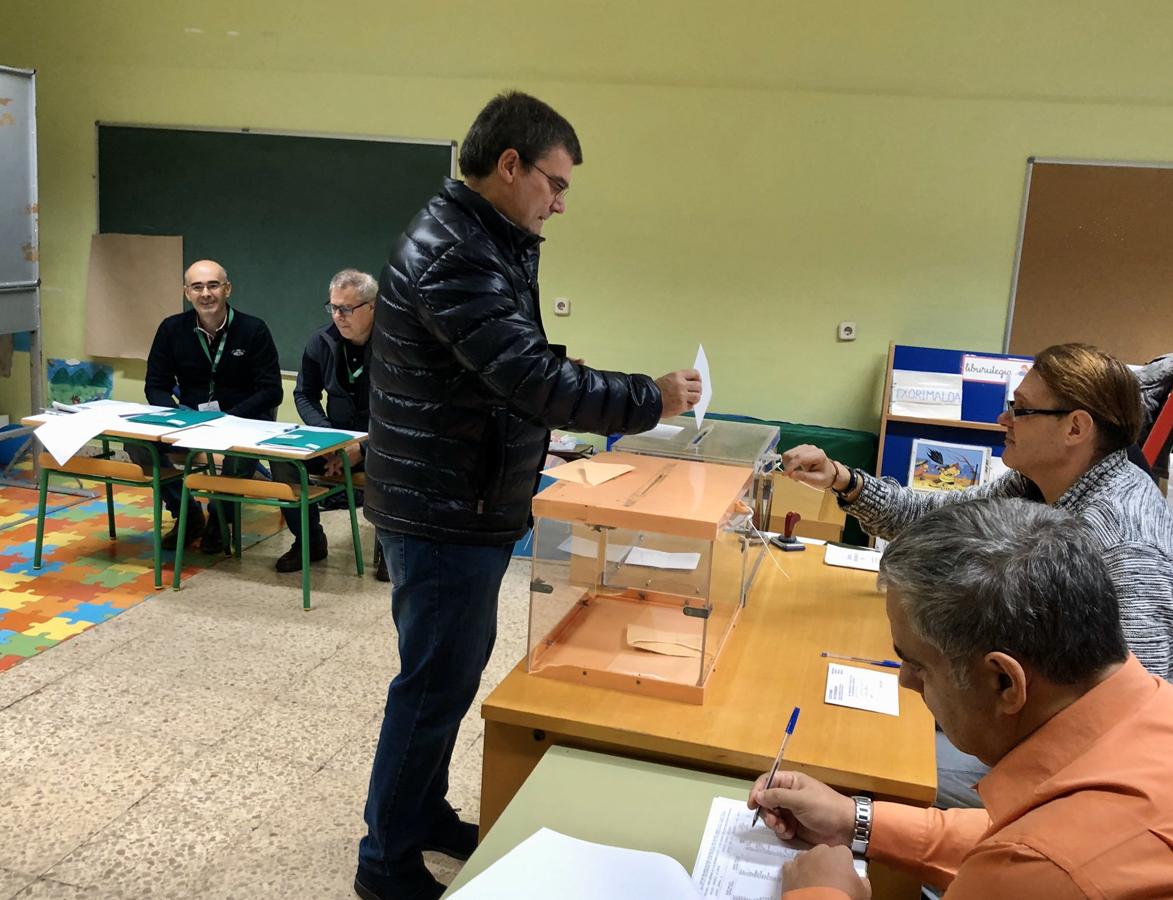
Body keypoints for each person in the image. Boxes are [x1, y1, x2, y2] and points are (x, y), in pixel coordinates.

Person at [354, 91, 703, 900]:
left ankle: (420, 811)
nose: (560, 201)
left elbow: (516, 363)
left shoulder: (489, 238)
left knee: (446, 678)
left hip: (463, 497)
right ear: (508, 166)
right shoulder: (456, 253)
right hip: (443, 508)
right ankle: (385, 864)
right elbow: (530, 377)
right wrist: (648, 398)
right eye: (554, 182)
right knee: (431, 685)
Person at [783, 343, 1173, 807]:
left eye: (1021, 410)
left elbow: (1132, 715)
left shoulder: (1125, 541)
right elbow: (932, 519)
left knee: (868, 766)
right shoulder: (1034, 484)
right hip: (1012, 715)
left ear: (1075, 427)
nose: (1003, 420)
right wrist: (844, 480)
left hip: (1067, 776)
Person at [748, 499, 1173, 899]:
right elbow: (1013, 835)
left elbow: (1032, 859)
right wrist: (858, 820)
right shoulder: (1153, 710)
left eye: (918, 665)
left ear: (1005, 683)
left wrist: (822, 891)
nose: (907, 683)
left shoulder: (1041, 869)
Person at [133, 259, 282, 553]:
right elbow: (156, 385)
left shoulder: (254, 330)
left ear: (227, 289)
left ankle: (219, 517)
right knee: (139, 444)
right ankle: (186, 514)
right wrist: (176, 414)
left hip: (243, 419)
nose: (206, 294)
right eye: (197, 287)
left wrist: (229, 418)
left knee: (239, 458)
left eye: (213, 285)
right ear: (187, 292)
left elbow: (271, 391)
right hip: (190, 421)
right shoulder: (171, 329)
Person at [270, 269, 386, 580]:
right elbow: (304, 395)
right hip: (332, 440)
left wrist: (360, 448)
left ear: (372, 306)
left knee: (398, 462)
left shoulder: (396, 347)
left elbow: (403, 411)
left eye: (347, 309)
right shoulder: (321, 342)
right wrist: (329, 442)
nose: (338, 315)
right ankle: (309, 541)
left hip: (381, 442)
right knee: (283, 462)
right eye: (333, 307)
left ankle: (389, 548)